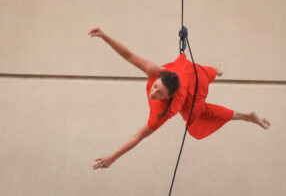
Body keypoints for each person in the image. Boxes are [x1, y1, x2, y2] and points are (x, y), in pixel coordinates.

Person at [88, 27, 271, 169]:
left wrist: (113, 157)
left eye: (159, 93)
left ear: (170, 96)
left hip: (193, 89)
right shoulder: (155, 71)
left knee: (199, 118)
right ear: (158, 77)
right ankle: (217, 70)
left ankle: (246, 116)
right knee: (204, 72)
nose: (153, 93)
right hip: (191, 71)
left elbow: (138, 137)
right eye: (155, 87)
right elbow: (128, 55)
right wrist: (105, 36)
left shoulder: (167, 111)